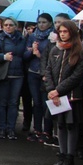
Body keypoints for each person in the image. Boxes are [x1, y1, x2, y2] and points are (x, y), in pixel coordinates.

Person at [44, 20, 83, 165]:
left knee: (71, 126)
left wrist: (58, 90)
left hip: (71, 95)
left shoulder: (80, 52)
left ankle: (70, 158)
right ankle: (61, 156)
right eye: (60, 32)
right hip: (55, 96)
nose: (62, 34)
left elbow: (77, 76)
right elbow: (48, 70)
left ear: (72, 33)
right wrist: (51, 90)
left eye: (65, 32)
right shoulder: (55, 50)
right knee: (60, 126)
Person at [0, 16, 25, 140]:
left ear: (15, 26)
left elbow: (23, 55)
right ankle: (1, 128)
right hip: (3, 74)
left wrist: (32, 52)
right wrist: (3, 57)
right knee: (2, 102)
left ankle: (11, 129)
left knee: (14, 103)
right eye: (6, 25)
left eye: (11, 25)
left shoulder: (21, 39)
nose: (8, 27)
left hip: (18, 74)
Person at [24, 13, 55, 143]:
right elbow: (24, 56)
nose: (41, 25)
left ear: (50, 23)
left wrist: (38, 54)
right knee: (36, 103)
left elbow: (52, 59)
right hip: (32, 73)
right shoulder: (32, 36)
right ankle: (37, 129)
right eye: (39, 22)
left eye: (44, 22)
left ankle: (47, 131)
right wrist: (31, 51)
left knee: (45, 103)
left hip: (46, 75)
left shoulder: (52, 37)